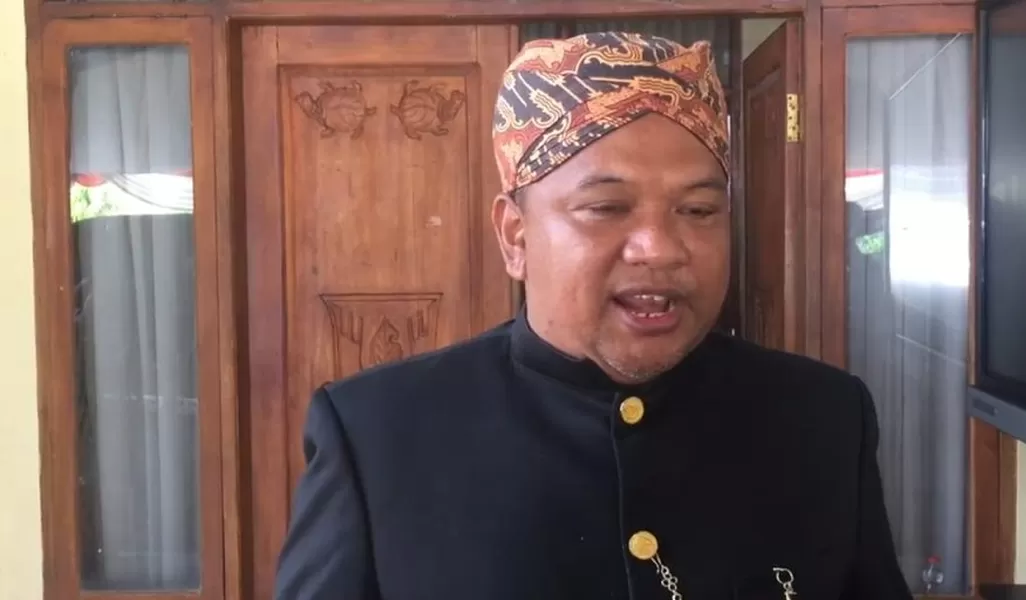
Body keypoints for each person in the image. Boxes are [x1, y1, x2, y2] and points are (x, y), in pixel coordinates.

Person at [274, 31, 912, 600]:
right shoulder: (378, 435)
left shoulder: (822, 418)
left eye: (697, 211)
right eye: (607, 208)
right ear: (516, 237)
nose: (660, 248)